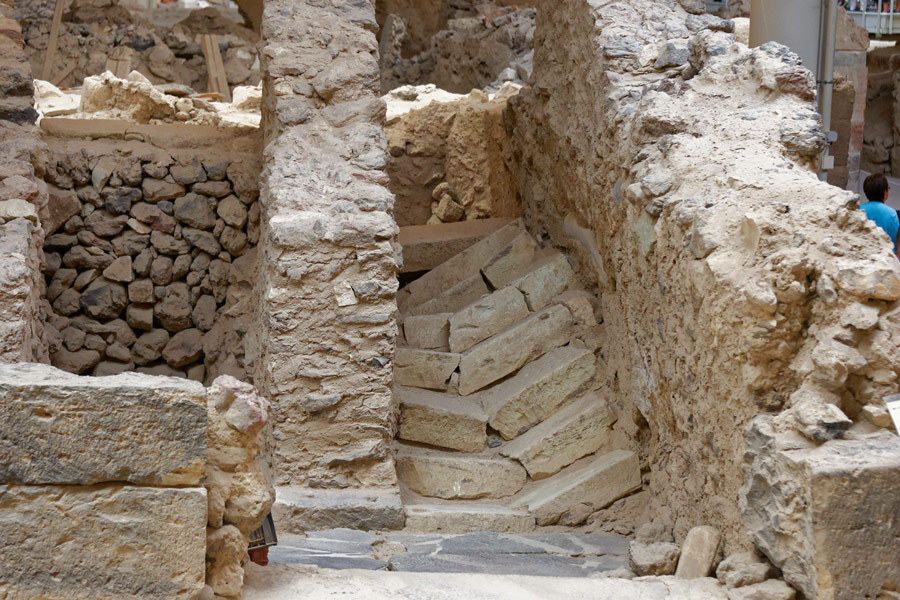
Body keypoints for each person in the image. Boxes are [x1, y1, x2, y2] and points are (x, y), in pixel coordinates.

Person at [860, 173, 899, 255]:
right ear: (885, 193)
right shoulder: (891, 213)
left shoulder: (859, 210)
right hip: (887, 258)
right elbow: (896, 241)